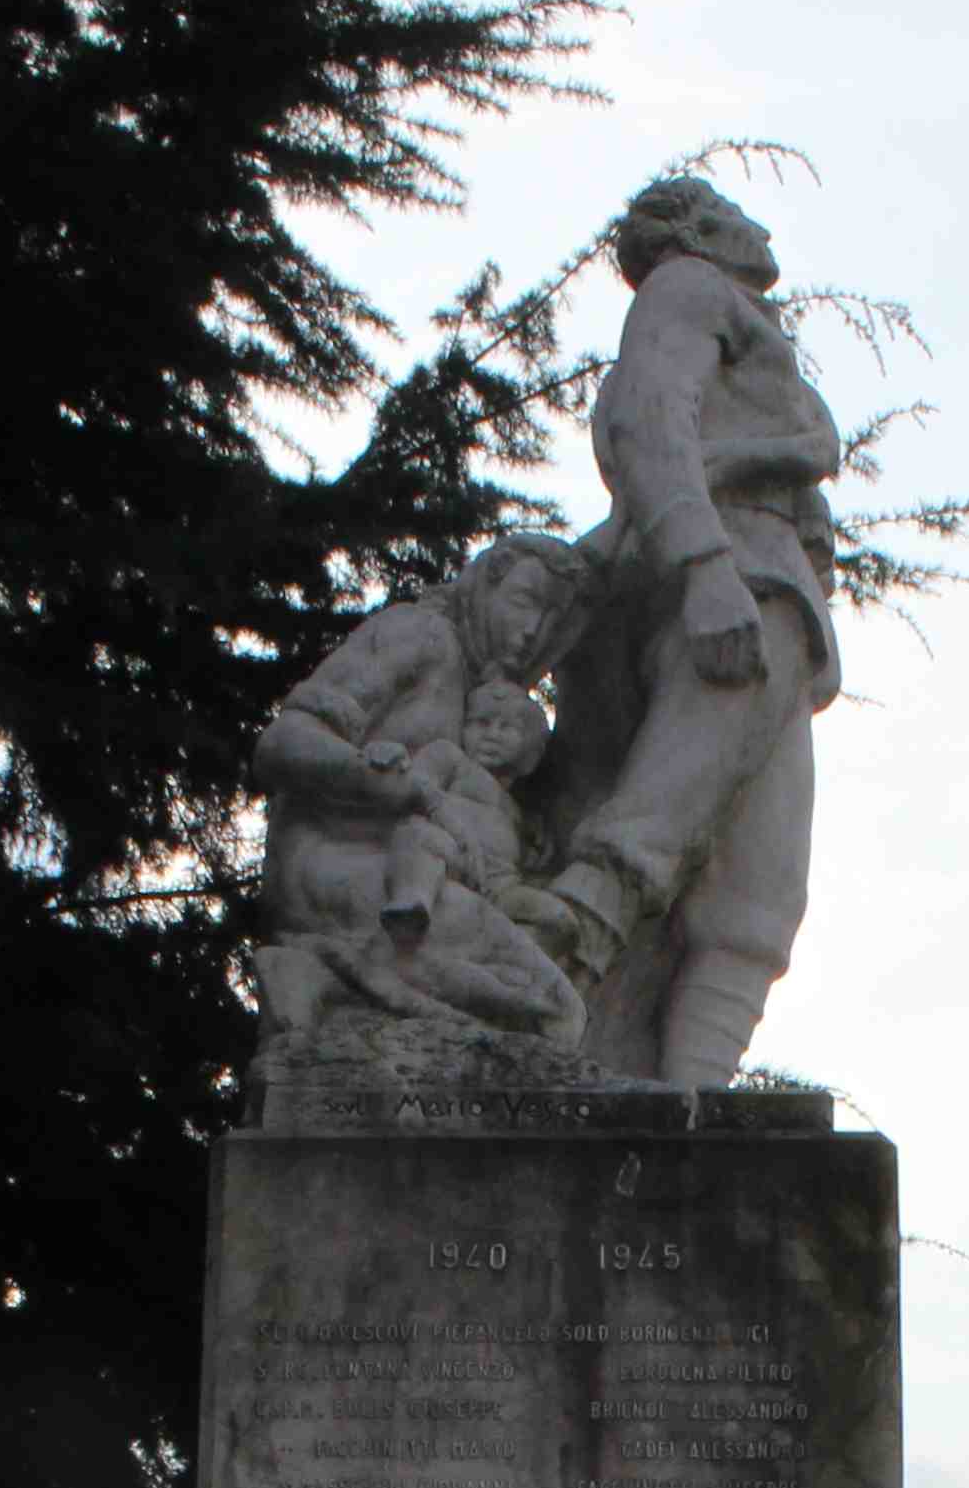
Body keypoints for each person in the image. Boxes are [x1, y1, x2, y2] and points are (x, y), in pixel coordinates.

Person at [520, 174, 844, 1086]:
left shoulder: (726, 314)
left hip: (764, 582)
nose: (762, 228)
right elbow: (649, 413)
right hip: (737, 573)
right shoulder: (689, 287)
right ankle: (527, 1005)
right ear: (700, 230)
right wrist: (704, 566)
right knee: (645, 837)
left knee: (759, 894)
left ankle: (688, 1105)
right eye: (740, 214)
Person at [252, 536, 591, 1049]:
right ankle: (322, 970)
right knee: (551, 1008)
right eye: (523, 603)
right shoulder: (419, 634)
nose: (530, 632)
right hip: (340, 863)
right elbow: (282, 744)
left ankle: (320, 978)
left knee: (547, 963)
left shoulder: (484, 699)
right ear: (483, 584)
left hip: (412, 874)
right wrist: (381, 781)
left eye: (549, 619)